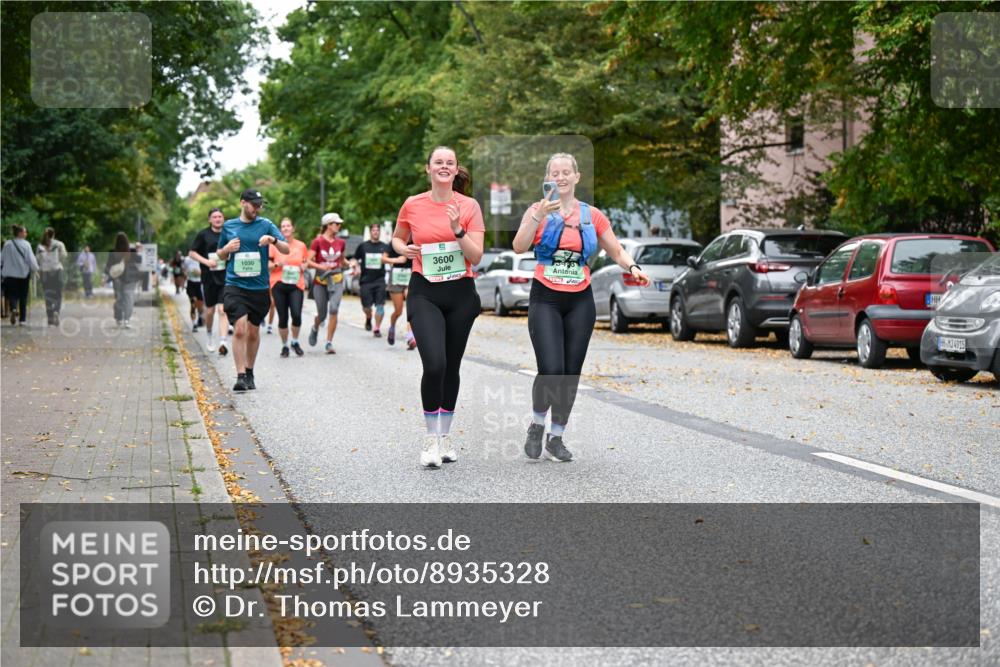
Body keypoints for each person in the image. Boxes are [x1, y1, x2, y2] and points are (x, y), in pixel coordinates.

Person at [512, 152, 651, 462]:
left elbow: (615, 249)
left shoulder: (593, 215)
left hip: (579, 300)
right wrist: (537, 217)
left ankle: (556, 437)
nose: (561, 177)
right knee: (552, 370)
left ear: (576, 177)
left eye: (566, 172)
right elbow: (519, 247)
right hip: (545, 297)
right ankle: (537, 425)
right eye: (555, 173)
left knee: (570, 374)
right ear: (548, 178)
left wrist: (633, 267)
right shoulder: (537, 210)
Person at [392, 147, 484, 468]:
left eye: (449, 163)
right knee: (434, 365)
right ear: (428, 168)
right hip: (424, 292)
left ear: (456, 169)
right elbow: (397, 239)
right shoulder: (413, 204)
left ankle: (445, 437)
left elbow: (476, 257)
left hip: (460, 294)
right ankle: (430, 439)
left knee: (452, 367)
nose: (444, 167)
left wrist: (458, 229)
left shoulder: (469, 206)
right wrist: (405, 249)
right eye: (438, 162)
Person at [215, 188, 288, 392]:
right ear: (242, 203)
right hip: (235, 285)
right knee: (240, 328)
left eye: (259, 205)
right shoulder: (229, 226)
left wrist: (272, 240)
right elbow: (220, 254)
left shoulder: (266, 225)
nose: (257, 208)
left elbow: (286, 249)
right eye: (254, 204)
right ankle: (239, 376)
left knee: (254, 332)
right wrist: (226, 249)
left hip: (259, 287)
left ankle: (249, 371)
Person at [189, 208, 231, 355]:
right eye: (214, 217)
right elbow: (192, 253)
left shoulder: (229, 233)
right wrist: (206, 262)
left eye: (220, 216)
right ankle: (209, 335)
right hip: (208, 278)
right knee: (210, 311)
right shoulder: (203, 234)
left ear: (223, 219)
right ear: (210, 220)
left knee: (222, 310)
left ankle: (223, 342)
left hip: (225, 277)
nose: (218, 219)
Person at [306, 213, 349, 354]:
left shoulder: (341, 242)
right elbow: (308, 261)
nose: (339, 225)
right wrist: (321, 267)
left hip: (336, 279)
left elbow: (342, 260)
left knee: (334, 309)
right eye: (336, 223)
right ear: (328, 225)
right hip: (321, 280)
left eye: (339, 223)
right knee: (322, 314)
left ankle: (329, 343)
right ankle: (315, 327)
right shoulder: (317, 242)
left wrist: (351, 264)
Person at [268, 217, 308, 357]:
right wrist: (279, 264)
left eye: (288, 226)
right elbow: (268, 266)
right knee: (283, 317)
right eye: (283, 226)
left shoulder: (301, 245)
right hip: (278, 283)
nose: (285, 228)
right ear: (280, 229)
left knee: (296, 314)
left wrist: (304, 266)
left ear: (293, 228)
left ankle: (295, 341)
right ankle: (284, 345)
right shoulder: (274, 246)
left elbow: (305, 261)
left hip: (296, 283)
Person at [352, 223, 390, 337]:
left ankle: (377, 328)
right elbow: (354, 259)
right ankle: (368, 317)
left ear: (379, 232)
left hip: (380, 280)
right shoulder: (363, 246)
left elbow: (390, 259)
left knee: (380, 306)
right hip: (366, 281)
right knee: (366, 307)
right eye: (374, 230)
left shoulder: (385, 247)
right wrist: (355, 266)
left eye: (377, 230)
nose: (376, 232)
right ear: (370, 232)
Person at [1, 224, 39, 326]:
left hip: (9, 274)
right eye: (25, 232)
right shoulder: (26, 244)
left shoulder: (7, 244)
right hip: (23, 274)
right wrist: (36, 270)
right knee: (23, 296)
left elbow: (1, 259)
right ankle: (22, 320)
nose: (26, 233)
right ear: (20, 233)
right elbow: (31, 259)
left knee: (12, 294)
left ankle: (13, 309)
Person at [383, 241, 417, 349]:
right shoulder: (394, 242)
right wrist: (396, 260)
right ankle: (392, 327)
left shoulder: (415, 241)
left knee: (411, 308)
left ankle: (410, 336)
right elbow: (383, 259)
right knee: (398, 310)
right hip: (396, 278)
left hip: (410, 277)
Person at [105, 232, 143, 328]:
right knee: (129, 299)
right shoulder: (131, 251)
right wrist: (138, 250)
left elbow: (108, 266)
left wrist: (107, 277)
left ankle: (118, 319)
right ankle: (127, 320)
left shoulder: (113, 252)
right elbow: (139, 260)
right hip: (130, 279)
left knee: (119, 299)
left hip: (117, 278)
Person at [35, 227, 67, 326]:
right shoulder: (59, 244)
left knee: (48, 295)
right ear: (53, 234)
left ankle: (50, 318)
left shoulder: (40, 246)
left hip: (45, 273)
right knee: (58, 294)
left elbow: (37, 259)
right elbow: (64, 256)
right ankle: (56, 311)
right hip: (57, 271)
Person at [182, 251, 204, 331]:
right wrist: (186, 273)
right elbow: (183, 269)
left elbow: (207, 270)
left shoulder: (202, 258)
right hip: (191, 283)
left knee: (200, 305)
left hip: (200, 284)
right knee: (193, 303)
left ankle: (200, 317)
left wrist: (200, 273)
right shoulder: (187, 259)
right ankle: (194, 324)